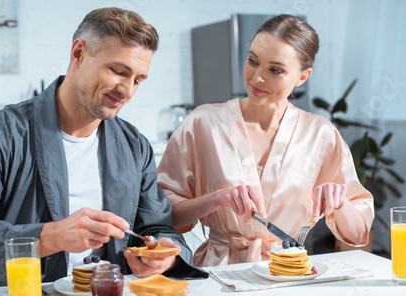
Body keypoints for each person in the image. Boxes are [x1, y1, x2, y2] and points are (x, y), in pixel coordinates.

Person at [0, 7, 207, 289]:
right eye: (118, 71)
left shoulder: (134, 146)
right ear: (78, 54)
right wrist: (49, 237)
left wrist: (167, 257)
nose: (128, 91)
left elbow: (158, 229)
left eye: (137, 80)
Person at [157, 14, 374, 266]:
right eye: (252, 60)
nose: (257, 77)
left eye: (275, 70)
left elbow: (357, 235)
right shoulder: (202, 123)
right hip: (218, 275)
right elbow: (165, 217)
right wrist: (215, 199)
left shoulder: (321, 134)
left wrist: (340, 202)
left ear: (302, 77)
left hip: (287, 272)